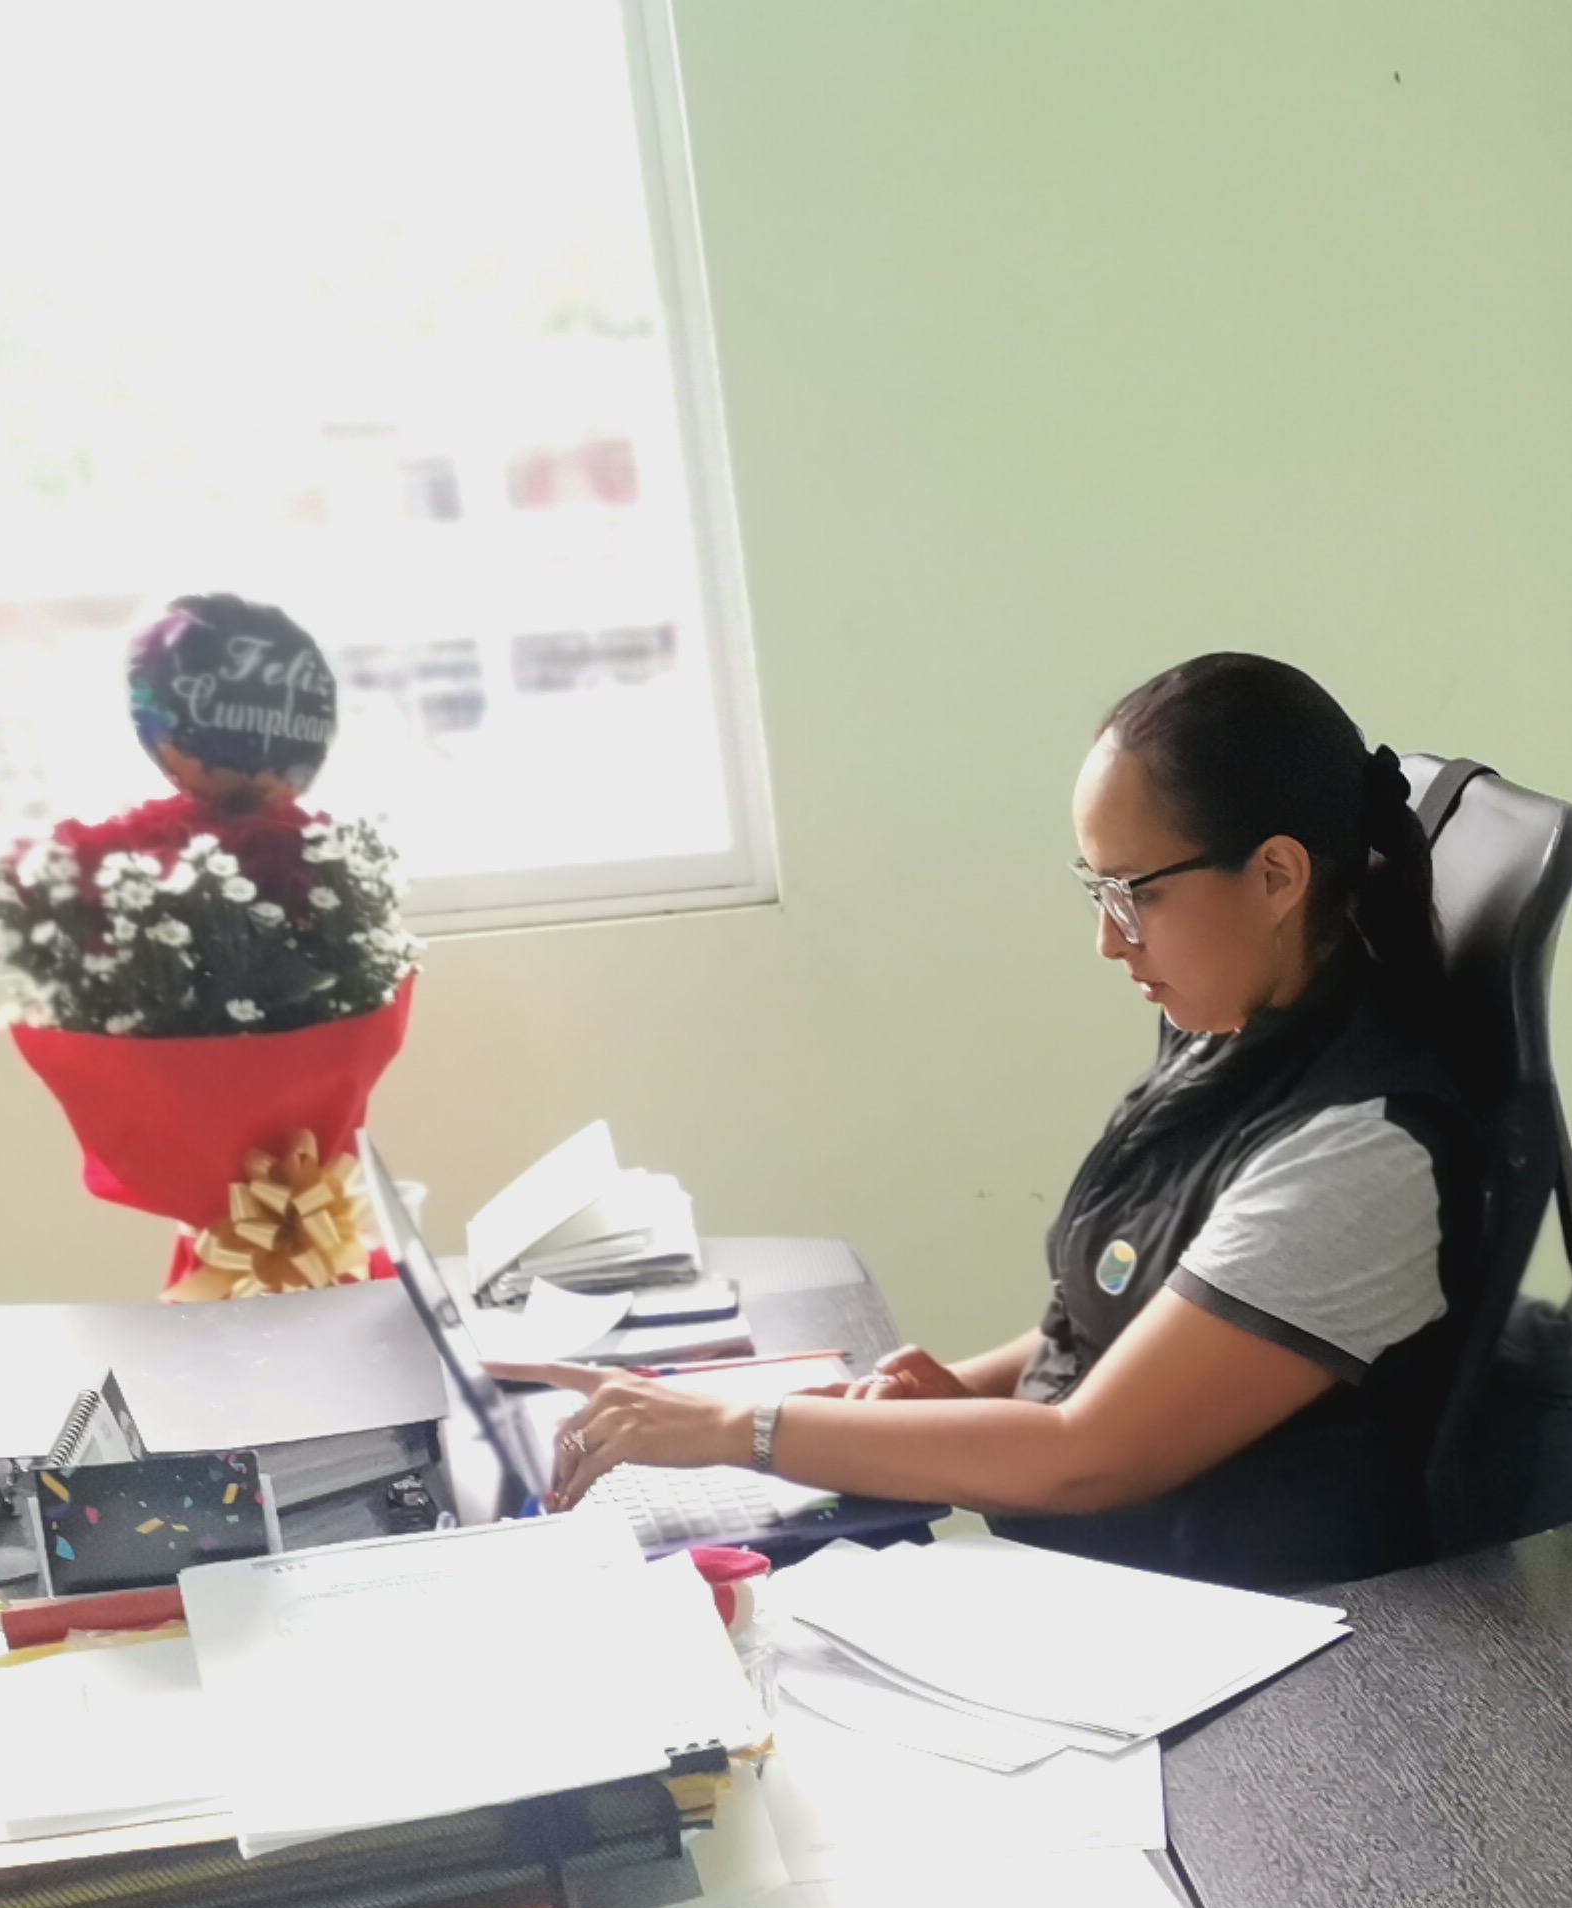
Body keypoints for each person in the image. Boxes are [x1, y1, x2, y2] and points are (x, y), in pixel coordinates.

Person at [535, 652, 1504, 1590]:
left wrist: (731, 1428)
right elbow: (1112, 1329)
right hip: (1118, 1578)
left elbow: (1087, 1455)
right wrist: (957, 1393)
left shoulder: (1364, 1154)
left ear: (1278, 875)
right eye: (1096, 890)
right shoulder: (1232, 1034)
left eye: (1134, 894)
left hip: (1258, 1631)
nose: (1108, 940)